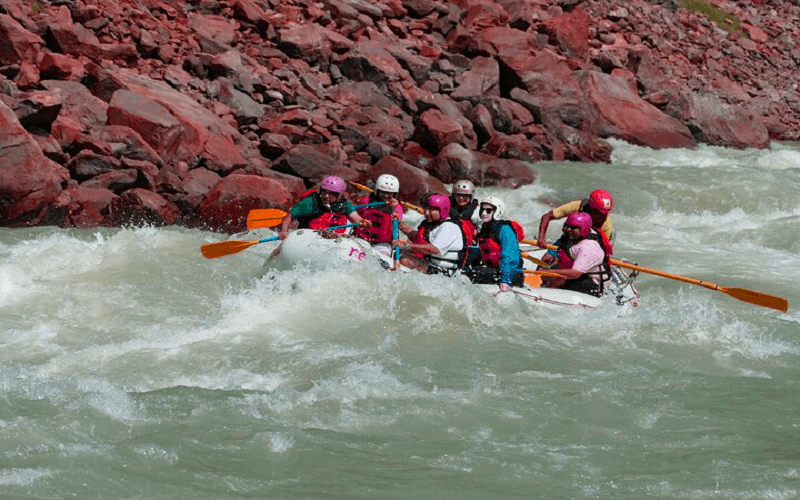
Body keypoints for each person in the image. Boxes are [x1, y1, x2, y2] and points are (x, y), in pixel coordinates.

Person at [392, 194, 466, 276]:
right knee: (400, 254)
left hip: (445, 272)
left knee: (405, 260)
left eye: (431, 210)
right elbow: (416, 236)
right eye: (427, 209)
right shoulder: (434, 225)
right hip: (432, 265)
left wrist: (406, 245)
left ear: (442, 210)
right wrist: (401, 225)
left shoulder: (449, 227)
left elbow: (434, 249)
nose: (426, 213)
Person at [540, 212, 611, 297]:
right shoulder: (571, 237)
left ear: (583, 229)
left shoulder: (588, 247)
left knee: (558, 279)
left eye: (573, 228)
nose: (568, 229)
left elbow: (575, 273)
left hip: (593, 283)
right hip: (581, 273)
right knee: (548, 277)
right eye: (567, 226)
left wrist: (548, 271)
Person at [536, 189, 614, 266]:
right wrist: (541, 238)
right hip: (567, 240)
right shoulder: (577, 206)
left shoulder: (606, 224)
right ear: (590, 208)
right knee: (546, 259)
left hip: (587, 248)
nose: (601, 217)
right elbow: (547, 217)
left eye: (604, 214)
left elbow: (601, 249)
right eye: (598, 213)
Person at [278, 176, 367, 240]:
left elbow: (356, 218)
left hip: (334, 239)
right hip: (308, 238)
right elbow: (290, 216)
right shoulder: (310, 202)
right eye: (324, 192)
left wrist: (363, 223)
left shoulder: (344, 205)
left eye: (331, 193)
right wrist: (284, 231)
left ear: (339, 195)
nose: (326, 196)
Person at [467, 196, 525, 292]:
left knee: (474, 273)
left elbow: (509, 255)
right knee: (468, 271)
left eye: (488, 211)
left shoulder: (504, 229)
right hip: (494, 270)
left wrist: (506, 280)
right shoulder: (485, 228)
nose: (484, 213)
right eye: (482, 210)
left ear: (497, 212)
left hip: (511, 274)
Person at [352, 174, 403, 255]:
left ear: (395, 194)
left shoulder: (397, 207)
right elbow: (355, 217)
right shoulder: (365, 201)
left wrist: (394, 209)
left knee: (383, 255)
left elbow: (396, 224)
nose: (386, 195)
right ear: (377, 190)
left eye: (390, 193)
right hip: (362, 238)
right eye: (383, 192)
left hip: (382, 243)